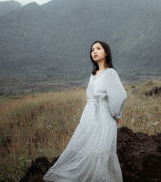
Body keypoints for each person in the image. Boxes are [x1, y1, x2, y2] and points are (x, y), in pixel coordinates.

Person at [43, 40, 127, 182]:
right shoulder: (94, 74)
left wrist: (117, 114)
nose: (94, 51)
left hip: (105, 118)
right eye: (92, 49)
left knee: (101, 151)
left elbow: (120, 95)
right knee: (86, 150)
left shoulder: (110, 73)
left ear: (106, 53)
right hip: (89, 118)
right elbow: (91, 97)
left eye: (98, 49)